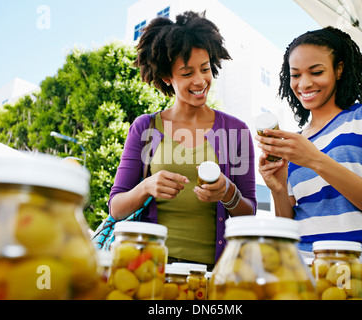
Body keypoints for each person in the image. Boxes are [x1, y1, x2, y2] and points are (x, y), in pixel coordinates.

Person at [108, 11, 256, 268]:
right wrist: (146, 187)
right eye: (187, 73)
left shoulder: (236, 131)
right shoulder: (145, 127)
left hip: (214, 273)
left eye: (205, 69)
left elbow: (249, 211)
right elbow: (116, 208)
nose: (200, 81)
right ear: (168, 78)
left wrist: (227, 193)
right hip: (150, 268)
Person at [256, 26, 362, 257]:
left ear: (338, 70)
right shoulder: (296, 144)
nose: (304, 84)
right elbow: (288, 226)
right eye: (296, 75)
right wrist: (278, 188)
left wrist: (316, 160)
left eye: (316, 72)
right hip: (308, 269)